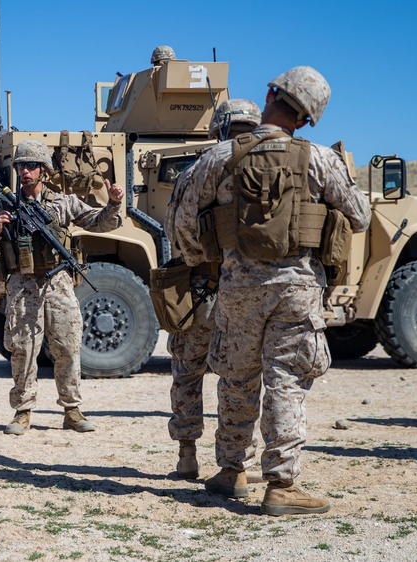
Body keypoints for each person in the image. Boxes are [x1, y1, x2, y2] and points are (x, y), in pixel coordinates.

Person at [170, 67, 371, 514]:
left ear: (269, 94)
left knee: (236, 377)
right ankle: (280, 484)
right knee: (286, 380)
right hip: (296, 288)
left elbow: (181, 221)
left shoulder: (220, 157)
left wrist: (202, 263)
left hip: (237, 287)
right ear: (307, 119)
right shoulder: (320, 158)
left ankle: (230, 471)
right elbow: (359, 216)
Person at [0, 139, 125, 435]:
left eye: (31, 166)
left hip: (58, 281)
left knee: (67, 345)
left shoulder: (64, 202)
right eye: (21, 166)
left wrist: (115, 203)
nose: (25, 171)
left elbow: (99, 223)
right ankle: (23, 411)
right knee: (23, 347)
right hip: (22, 283)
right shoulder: (3, 206)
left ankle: (72, 410)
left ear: (44, 170)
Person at [163, 99, 262, 480]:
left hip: (206, 285)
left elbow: (178, 230)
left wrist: (202, 265)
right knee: (242, 375)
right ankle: (240, 461)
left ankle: (187, 456)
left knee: (188, 369)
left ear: (218, 128)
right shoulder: (274, 166)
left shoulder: (200, 168)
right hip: (254, 291)